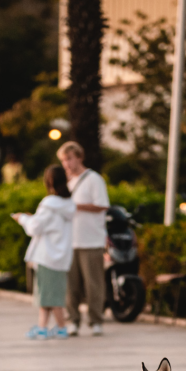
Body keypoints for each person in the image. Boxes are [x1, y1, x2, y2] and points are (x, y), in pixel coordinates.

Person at [13, 165, 77, 339]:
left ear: (48, 182)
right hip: (61, 256)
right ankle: (45, 326)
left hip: (47, 257)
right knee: (52, 293)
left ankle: (56, 328)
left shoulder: (49, 204)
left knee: (47, 296)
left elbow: (35, 227)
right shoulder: (68, 204)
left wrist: (23, 218)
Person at [58, 141, 110, 336]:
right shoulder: (67, 182)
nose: (67, 164)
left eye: (69, 158)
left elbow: (102, 205)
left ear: (79, 157)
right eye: (63, 160)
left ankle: (96, 321)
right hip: (70, 241)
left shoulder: (93, 179)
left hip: (91, 240)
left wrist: (76, 206)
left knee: (93, 283)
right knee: (71, 286)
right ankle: (73, 321)